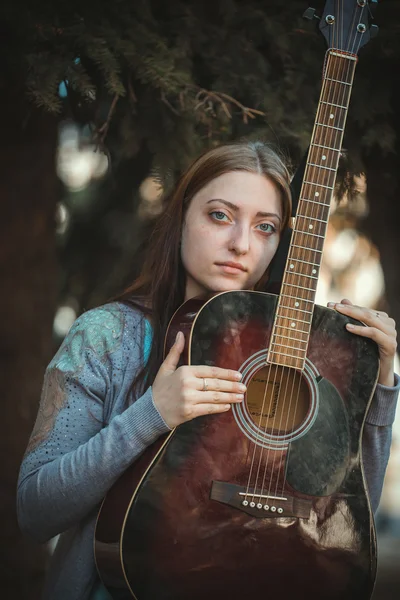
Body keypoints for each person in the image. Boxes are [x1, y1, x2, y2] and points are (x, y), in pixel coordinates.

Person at [17, 142, 399, 600]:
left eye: (266, 227)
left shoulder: (302, 361)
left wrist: (378, 385)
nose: (241, 243)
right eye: (220, 215)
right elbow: (35, 511)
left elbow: (343, 524)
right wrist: (151, 414)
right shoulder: (107, 336)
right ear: (181, 218)